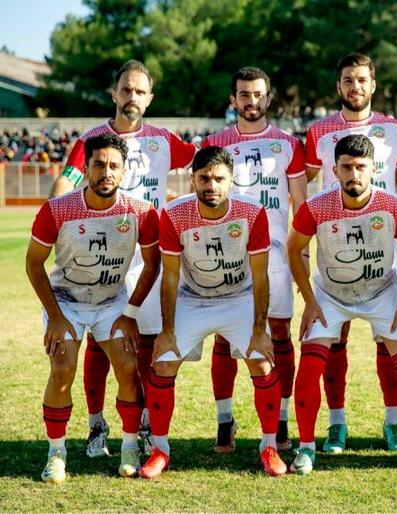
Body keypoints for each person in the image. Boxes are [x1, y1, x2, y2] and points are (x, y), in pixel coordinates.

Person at [49, 59, 196, 458]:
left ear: (150, 98)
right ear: (114, 93)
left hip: (147, 258)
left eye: (140, 91)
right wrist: (57, 210)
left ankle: (144, 423)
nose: (132, 97)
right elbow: (68, 179)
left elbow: (204, 159)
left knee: (144, 343)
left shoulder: (164, 140)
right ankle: (96, 426)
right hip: (104, 257)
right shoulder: (92, 140)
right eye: (126, 89)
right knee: (99, 345)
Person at [286, 134, 397, 474]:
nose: (354, 174)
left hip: (382, 292)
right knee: (309, 366)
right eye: (347, 167)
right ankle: (307, 447)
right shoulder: (316, 206)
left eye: (361, 167)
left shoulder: (394, 206)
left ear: (374, 169)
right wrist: (310, 301)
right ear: (335, 170)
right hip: (330, 294)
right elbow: (293, 249)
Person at [138, 146, 285, 478]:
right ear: (192, 180)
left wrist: (259, 330)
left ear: (231, 180)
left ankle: (269, 446)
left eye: (219, 178)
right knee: (164, 362)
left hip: (239, 298)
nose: (211, 185)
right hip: (194, 298)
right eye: (204, 178)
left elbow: (260, 275)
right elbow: (170, 276)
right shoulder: (173, 213)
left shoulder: (252, 212)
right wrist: (167, 331)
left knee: (261, 361)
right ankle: (160, 449)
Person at [303, 53, 397, 453]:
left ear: (372, 84)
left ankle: (393, 422)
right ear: (338, 86)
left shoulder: (392, 129)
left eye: (361, 80)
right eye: (347, 80)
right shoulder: (319, 130)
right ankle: (336, 424)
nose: (355, 87)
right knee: (333, 341)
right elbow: (299, 178)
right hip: (335, 249)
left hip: (381, 250)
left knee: (388, 343)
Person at [27, 134, 160, 482]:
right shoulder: (57, 209)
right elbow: (34, 264)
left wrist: (130, 314)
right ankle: (56, 453)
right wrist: (56, 318)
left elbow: (152, 264)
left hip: (112, 303)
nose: (106, 172)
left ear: (125, 170)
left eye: (114, 165)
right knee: (62, 369)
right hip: (66, 303)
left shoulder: (141, 211)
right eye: (99, 164)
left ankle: (129, 447)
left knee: (128, 367)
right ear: (85, 168)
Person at [202, 67, 307, 452]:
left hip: (275, 255)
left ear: (268, 98)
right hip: (228, 253)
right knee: (223, 335)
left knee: (279, 333)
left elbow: (301, 205)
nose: (251, 101)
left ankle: (280, 420)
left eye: (258, 94)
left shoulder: (287, 144)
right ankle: (224, 421)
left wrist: (302, 256)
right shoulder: (214, 143)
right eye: (244, 94)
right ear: (233, 100)